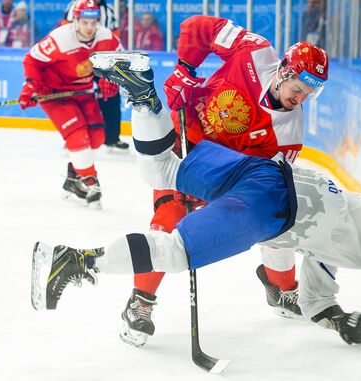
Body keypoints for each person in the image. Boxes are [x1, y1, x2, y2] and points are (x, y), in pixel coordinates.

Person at [31, 56, 361, 351]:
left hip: (265, 176)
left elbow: (313, 275)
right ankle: (77, 260)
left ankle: (143, 95)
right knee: (175, 249)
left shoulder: (345, 225)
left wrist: (337, 320)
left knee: (162, 170)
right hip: (272, 205)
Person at [111, 15, 329, 347]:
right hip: (181, 141)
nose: (300, 100)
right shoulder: (255, 51)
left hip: (224, 172)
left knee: (277, 220)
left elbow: (264, 186)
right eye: (298, 89)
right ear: (284, 72)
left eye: (308, 95)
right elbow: (197, 27)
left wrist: (224, 201)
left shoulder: (289, 134)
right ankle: (140, 301)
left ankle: (282, 289)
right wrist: (185, 69)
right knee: (169, 219)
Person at [19, 0, 121, 208]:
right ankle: (91, 183)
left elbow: (118, 60)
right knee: (78, 137)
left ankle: (73, 180)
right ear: (75, 21)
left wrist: (109, 78)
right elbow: (31, 60)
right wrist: (30, 86)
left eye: (94, 22)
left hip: (82, 91)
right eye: (85, 22)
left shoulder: (106, 37)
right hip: (54, 93)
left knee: (97, 137)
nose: (90, 28)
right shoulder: (60, 39)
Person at [63, 0, 129, 153]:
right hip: (79, 60)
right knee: (78, 100)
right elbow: (64, 33)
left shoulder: (109, 11)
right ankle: (76, 138)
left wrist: (111, 71)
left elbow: (115, 39)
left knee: (111, 97)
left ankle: (112, 139)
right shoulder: (75, 6)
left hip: (103, 60)